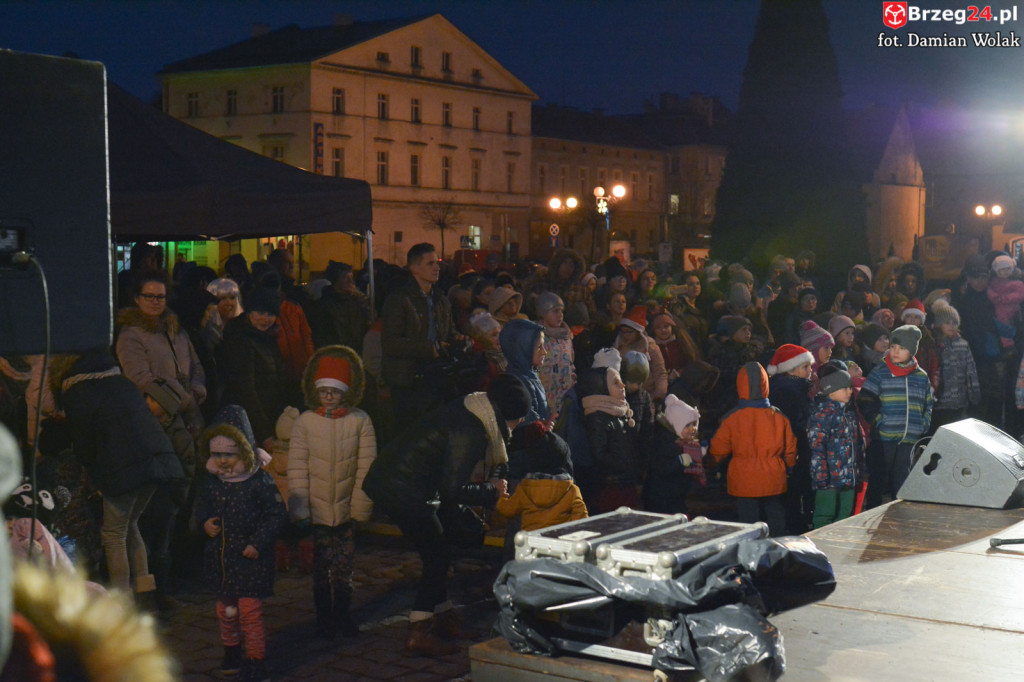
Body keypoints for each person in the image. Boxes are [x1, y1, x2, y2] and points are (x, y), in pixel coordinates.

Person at [361, 374, 530, 657]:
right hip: (401, 488)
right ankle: (419, 629)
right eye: (520, 418)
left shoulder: (473, 409)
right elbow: (453, 489)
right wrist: (491, 490)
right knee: (436, 555)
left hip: (404, 483)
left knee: (440, 551)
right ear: (508, 415)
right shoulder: (472, 430)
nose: (521, 423)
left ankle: (442, 617)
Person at [49, 351, 184, 601]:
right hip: (157, 459)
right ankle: (145, 592)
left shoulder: (77, 392)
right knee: (130, 526)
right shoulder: (121, 382)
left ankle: (123, 601)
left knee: (113, 535)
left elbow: (84, 445)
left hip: (123, 468)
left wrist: (92, 472)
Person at [286, 346, 376, 639]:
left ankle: (342, 615)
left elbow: (366, 467)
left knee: (344, 566)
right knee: (321, 565)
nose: (328, 396)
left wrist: (360, 506)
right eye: (323, 391)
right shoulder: (305, 422)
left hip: (345, 510)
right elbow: (297, 467)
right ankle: (324, 617)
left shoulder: (360, 421)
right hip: (317, 512)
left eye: (334, 391)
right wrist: (300, 508)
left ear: (345, 392)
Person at [197, 405, 287, 681]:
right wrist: (205, 522)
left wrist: (257, 543)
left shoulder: (258, 481)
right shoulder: (214, 482)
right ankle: (232, 651)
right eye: (217, 455)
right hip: (222, 561)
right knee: (226, 610)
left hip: (249, 561)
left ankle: (256, 659)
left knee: (249, 612)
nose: (223, 461)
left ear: (243, 452)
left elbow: (275, 514)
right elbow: (202, 508)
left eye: (229, 454)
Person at [707, 361, 797, 536]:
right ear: (765, 385)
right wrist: (790, 467)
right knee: (775, 514)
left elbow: (718, 448)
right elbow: (790, 447)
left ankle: (750, 549)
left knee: (748, 520)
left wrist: (712, 465)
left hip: (744, 478)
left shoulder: (732, 418)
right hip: (773, 476)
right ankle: (777, 545)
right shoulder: (779, 416)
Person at [116, 272, 207, 437]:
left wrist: (197, 389)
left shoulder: (176, 330)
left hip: (191, 414)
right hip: (157, 417)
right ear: (137, 299)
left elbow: (196, 365)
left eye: (160, 297)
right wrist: (181, 399)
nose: (155, 301)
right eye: (148, 296)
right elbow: (139, 378)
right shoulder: (131, 335)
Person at [857, 325, 934, 509]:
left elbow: (928, 403)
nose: (896, 351)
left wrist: (923, 423)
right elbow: (865, 400)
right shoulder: (880, 373)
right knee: (880, 476)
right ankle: (873, 511)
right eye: (893, 347)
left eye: (902, 348)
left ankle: (899, 513)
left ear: (912, 350)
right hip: (885, 436)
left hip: (910, 436)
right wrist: (878, 421)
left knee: (902, 477)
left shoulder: (921, 376)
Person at [380, 243, 454, 428]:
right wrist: (430, 349)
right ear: (414, 268)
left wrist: (459, 340)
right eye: (430, 263)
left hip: (436, 376)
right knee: (411, 432)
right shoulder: (399, 300)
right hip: (408, 380)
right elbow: (391, 343)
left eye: (437, 263)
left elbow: (449, 332)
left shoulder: (441, 299)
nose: (437, 268)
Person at [218, 283, 288, 447]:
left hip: (265, 419)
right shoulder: (240, 339)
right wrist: (265, 434)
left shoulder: (267, 337)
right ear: (249, 311)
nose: (266, 319)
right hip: (246, 424)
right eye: (260, 312)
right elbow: (245, 390)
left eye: (271, 314)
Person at [495, 421, 587, 531]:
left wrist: (501, 495)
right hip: (559, 539)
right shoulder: (571, 490)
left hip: (532, 540)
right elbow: (581, 518)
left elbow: (507, 510)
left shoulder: (524, 489)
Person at [807, 367, 865, 528]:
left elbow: (858, 445)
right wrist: (821, 476)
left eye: (850, 387)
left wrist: (860, 468)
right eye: (845, 388)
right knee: (825, 514)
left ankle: (840, 542)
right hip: (829, 481)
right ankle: (820, 541)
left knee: (845, 515)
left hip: (849, 477)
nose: (850, 391)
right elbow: (817, 448)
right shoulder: (822, 415)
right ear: (831, 391)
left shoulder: (849, 414)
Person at [766, 344, 816, 534]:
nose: (810, 371)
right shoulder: (788, 392)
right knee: (793, 491)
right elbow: (793, 424)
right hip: (793, 450)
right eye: (805, 367)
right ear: (790, 370)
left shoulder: (795, 388)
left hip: (794, 448)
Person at [576, 362, 638, 514]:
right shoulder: (598, 417)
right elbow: (598, 453)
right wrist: (622, 464)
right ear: (602, 387)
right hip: (609, 486)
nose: (623, 386)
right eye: (616, 383)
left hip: (624, 482)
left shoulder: (621, 413)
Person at [643, 395, 705, 515]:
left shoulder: (686, 443)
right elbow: (659, 468)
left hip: (675, 497)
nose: (693, 429)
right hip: (661, 500)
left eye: (694, 424)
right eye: (687, 425)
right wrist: (679, 461)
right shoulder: (665, 442)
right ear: (677, 424)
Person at [930, 301, 980, 431]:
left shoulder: (963, 345)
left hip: (959, 400)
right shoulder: (934, 344)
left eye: (954, 323)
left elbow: (971, 370)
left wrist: (974, 393)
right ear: (939, 324)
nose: (951, 326)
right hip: (939, 401)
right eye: (947, 323)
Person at [308, 260, 370, 354]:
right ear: (335, 280)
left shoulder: (356, 302)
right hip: (335, 353)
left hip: (356, 353)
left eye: (351, 277)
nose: (350, 281)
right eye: (345, 277)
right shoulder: (323, 305)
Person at [499, 319, 550, 424]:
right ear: (523, 350)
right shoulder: (519, 384)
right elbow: (529, 424)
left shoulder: (530, 375)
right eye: (539, 347)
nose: (544, 352)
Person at [534, 292, 575, 421]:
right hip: (546, 394)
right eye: (555, 311)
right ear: (543, 313)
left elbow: (571, 360)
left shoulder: (566, 336)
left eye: (561, 311)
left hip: (565, 392)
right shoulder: (537, 336)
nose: (560, 315)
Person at [615, 306, 668, 401]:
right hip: (625, 395)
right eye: (623, 332)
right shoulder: (618, 347)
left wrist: (658, 394)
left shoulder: (650, 347)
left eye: (629, 332)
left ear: (638, 332)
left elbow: (660, 372)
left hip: (649, 395)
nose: (625, 336)